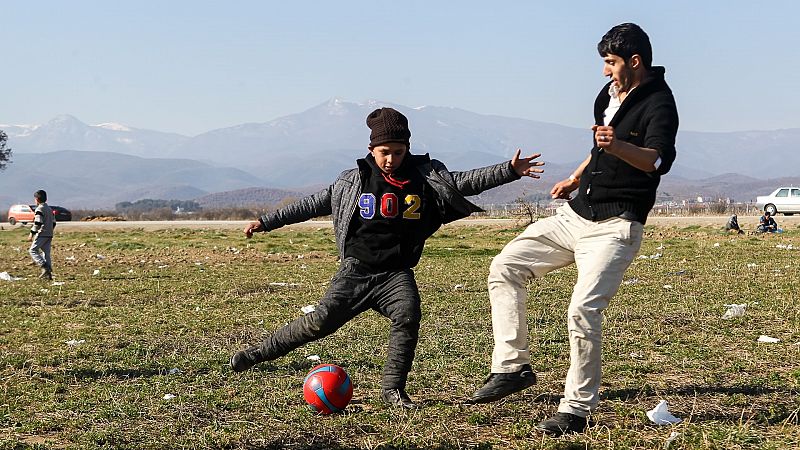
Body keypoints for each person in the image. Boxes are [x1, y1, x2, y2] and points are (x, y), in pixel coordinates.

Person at [229, 107, 544, 409]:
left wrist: (509, 171)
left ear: (407, 148)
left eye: (397, 151)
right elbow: (311, 204)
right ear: (371, 149)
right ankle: (255, 355)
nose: (391, 159)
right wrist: (268, 221)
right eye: (384, 153)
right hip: (356, 271)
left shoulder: (426, 178)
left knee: (407, 316)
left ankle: (393, 389)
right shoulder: (352, 181)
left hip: (396, 273)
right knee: (318, 323)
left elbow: (466, 181)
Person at [468, 23, 678, 436]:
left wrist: (617, 145)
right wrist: (577, 177)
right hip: (576, 216)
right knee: (505, 266)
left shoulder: (661, 105)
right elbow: (599, 143)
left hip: (616, 226)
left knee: (583, 311)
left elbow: (655, 161)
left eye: (611, 63)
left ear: (635, 62)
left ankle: (576, 410)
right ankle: (512, 368)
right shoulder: (608, 95)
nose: (605, 72)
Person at [28, 189, 56, 280]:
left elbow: (38, 223)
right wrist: (50, 230)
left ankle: (44, 267)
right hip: (49, 234)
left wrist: (32, 233)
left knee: (32, 250)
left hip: (42, 234)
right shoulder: (49, 209)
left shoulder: (39, 209)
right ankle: (48, 275)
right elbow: (54, 222)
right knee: (46, 253)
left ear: (37, 199)